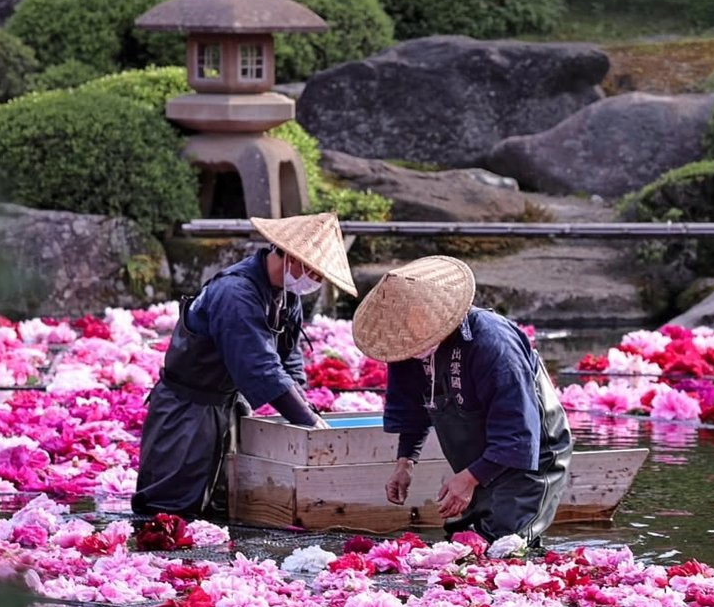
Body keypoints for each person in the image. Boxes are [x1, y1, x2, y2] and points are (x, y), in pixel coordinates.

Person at [132, 211, 357, 521]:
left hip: (229, 407)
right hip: (188, 411)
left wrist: (304, 406)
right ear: (293, 257)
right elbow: (260, 368)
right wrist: (305, 419)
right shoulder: (236, 293)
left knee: (224, 507)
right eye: (316, 273)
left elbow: (288, 356)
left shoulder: (286, 294)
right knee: (169, 509)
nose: (316, 282)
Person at [351, 255, 573, 546]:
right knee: (462, 542)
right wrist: (406, 461)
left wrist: (469, 479)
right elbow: (411, 406)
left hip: (528, 459)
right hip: (476, 458)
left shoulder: (493, 343)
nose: (409, 342)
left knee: (505, 545)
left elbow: (518, 431)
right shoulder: (404, 344)